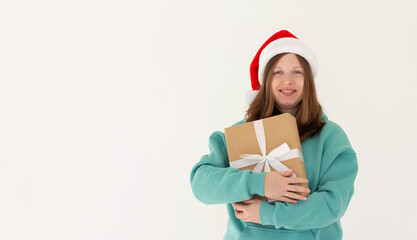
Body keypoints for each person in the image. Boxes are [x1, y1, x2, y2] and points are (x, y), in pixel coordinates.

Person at [190, 30, 358, 240]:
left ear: (309, 81)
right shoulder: (240, 134)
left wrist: (267, 214)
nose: (287, 80)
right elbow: (201, 184)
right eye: (278, 72)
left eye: (297, 72)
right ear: (266, 81)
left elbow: (331, 206)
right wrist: (259, 183)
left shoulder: (331, 138)